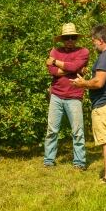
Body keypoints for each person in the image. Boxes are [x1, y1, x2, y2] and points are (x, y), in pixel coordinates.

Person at [72, 24, 106, 185]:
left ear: (101, 40)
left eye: (94, 41)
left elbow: (98, 82)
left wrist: (82, 83)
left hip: (105, 106)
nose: (93, 44)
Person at [44, 23, 90, 169]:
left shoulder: (83, 51)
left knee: (77, 131)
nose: (70, 40)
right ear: (62, 39)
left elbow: (74, 67)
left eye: (73, 37)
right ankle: (48, 160)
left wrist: (57, 62)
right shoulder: (55, 50)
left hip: (74, 96)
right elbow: (53, 71)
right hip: (56, 95)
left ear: (76, 38)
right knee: (52, 130)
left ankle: (79, 162)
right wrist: (74, 68)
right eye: (67, 37)